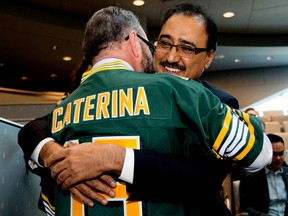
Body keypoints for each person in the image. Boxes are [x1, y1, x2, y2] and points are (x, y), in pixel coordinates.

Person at [16, 3, 255, 216]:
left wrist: (115, 160)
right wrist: (59, 158)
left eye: (187, 48)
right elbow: (35, 128)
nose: (171, 56)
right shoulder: (121, 88)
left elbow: (200, 180)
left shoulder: (219, 104)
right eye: (164, 43)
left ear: (209, 57)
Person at [239, 133, 288, 216]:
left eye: (281, 153)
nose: (278, 158)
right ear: (265, 153)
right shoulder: (251, 176)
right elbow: (245, 207)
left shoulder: (286, 174)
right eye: (274, 154)